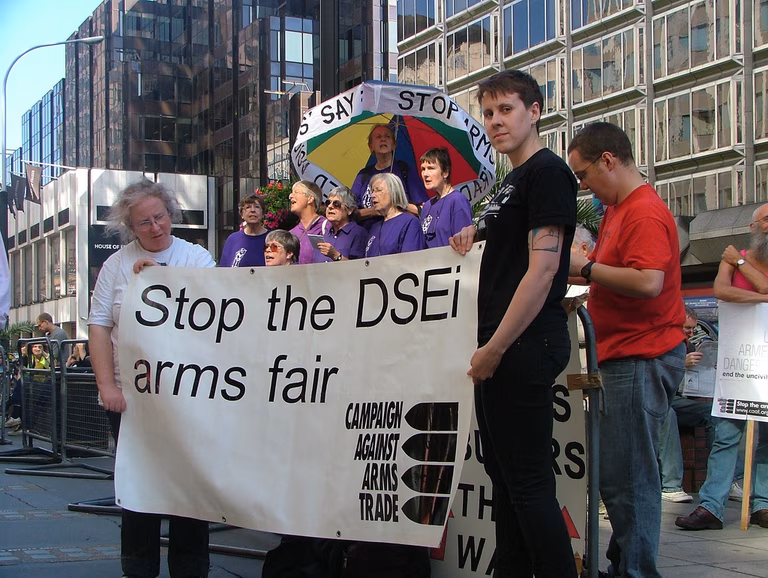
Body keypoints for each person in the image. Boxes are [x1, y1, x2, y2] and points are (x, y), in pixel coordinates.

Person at [450, 69, 578, 577]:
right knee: (504, 481)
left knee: (526, 484)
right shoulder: (513, 181)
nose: (496, 121)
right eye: (488, 112)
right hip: (499, 346)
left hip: (521, 344)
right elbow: (502, 251)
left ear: (535, 110)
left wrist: (496, 348)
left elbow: (544, 268)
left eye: (506, 110)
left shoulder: (548, 171)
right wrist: (472, 232)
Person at [567, 121, 686, 578]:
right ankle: (626, 566)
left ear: (608, 161)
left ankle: (635, 571)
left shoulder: (642, 212)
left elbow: (648, 281)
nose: (582, 185)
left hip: (640, 357)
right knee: (620, 476)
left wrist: (588, 268)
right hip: (626, 355)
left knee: (629, 480)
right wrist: (581, 272)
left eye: (583, 174)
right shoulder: (621, 208)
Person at [88, 178, 213, 578]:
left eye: (159, 217)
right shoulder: (116, 264)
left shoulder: (196, 258)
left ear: (171, 214)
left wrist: (163, 279)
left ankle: (190, 567)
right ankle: (138, 566)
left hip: (191, 398)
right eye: (144, 223)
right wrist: (107, 386)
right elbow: (98, 327)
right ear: (131, 227)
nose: (155, 227)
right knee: (138, 488)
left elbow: (220, 314)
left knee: (189, 487)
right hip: (132, 399)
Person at [675, 203, 768, 531]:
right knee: (728, 433)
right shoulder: (735, 258)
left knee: (766, 437)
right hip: (740, 362)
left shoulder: (737, 258)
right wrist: (760, 297)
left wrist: (741, 262)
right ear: (753, 227)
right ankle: (712, 506)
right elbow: (720, 291)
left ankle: (763, 504)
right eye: (766, 220)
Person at [658, 306, 717, 503]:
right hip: (656, 398)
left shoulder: (688, 345)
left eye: (693, 329)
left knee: (713, 413)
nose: (691, 333)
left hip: (680, 398)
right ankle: (671, 485)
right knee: (668, 414)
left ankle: (718, 481)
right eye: (687, 328)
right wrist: (680, 363)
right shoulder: (662, 342)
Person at [350, 123, 428, 228]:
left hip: (399, 231)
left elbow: (422, 210)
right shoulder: (364, 175)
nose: (383, 139)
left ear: (394, 144)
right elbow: (351, 212)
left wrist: (398, 204)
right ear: (371, 146)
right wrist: (375, 211)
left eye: (387, 136)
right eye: (378, 137)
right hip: (369, 237)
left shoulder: (405, 170)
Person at [419, 147, 473, 248]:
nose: (425, 174)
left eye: (431, 168)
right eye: (423, 169)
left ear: (445, 172)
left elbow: (463, 244)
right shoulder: (427, 206)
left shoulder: (457, 200)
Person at [364, 173, 426, 257]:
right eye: (372, 191)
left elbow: (410, 261)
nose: (373, 195)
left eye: (378, 190)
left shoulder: (410, 223)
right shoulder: (374, 228)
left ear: (394, 192)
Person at [314, 186, 368, 262]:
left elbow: (359, 268)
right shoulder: (325, 234)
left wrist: (336, 256)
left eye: (336, 204)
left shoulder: (358, 234)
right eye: (328, 203)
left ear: (350, 210)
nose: (330, 206)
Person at [219, 193, 268, 267]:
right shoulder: (232, 239)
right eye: (248, 207)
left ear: (263, 213)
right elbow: (224, 269)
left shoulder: (271, 238)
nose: (252, 210)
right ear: (241, 214)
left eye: (257, 207)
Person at [288, 180, 328, 264]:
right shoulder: (291, 233)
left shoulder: (326, 227)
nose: (291, 196)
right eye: (292, 193)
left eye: (296, 192)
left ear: (310, 198)